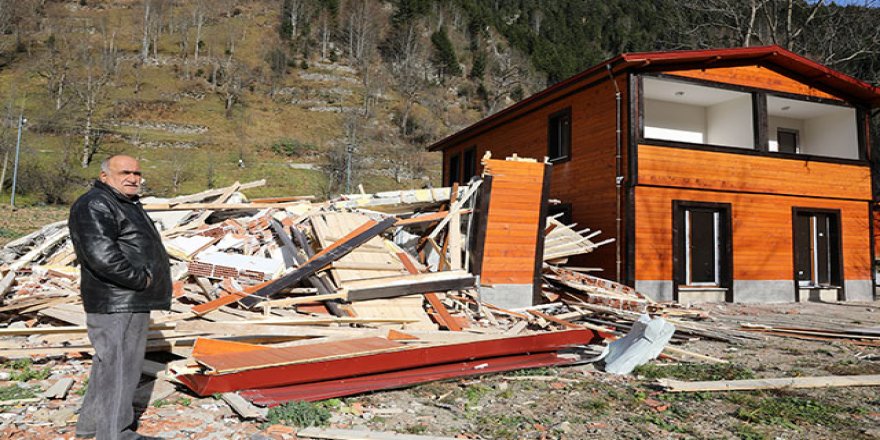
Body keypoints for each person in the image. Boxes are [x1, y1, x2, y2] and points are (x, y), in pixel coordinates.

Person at [68, 155, 171, 440]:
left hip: (125, 299)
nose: (133, 178)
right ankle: (116, 434)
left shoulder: (124, 203)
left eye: (137, 173)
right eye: (125, 172)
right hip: (118, 300)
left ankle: (91, 427)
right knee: (121, 369)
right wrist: (141, 280)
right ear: (104, 176)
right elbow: (101, 255)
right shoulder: (96, 204)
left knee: (110, 366)